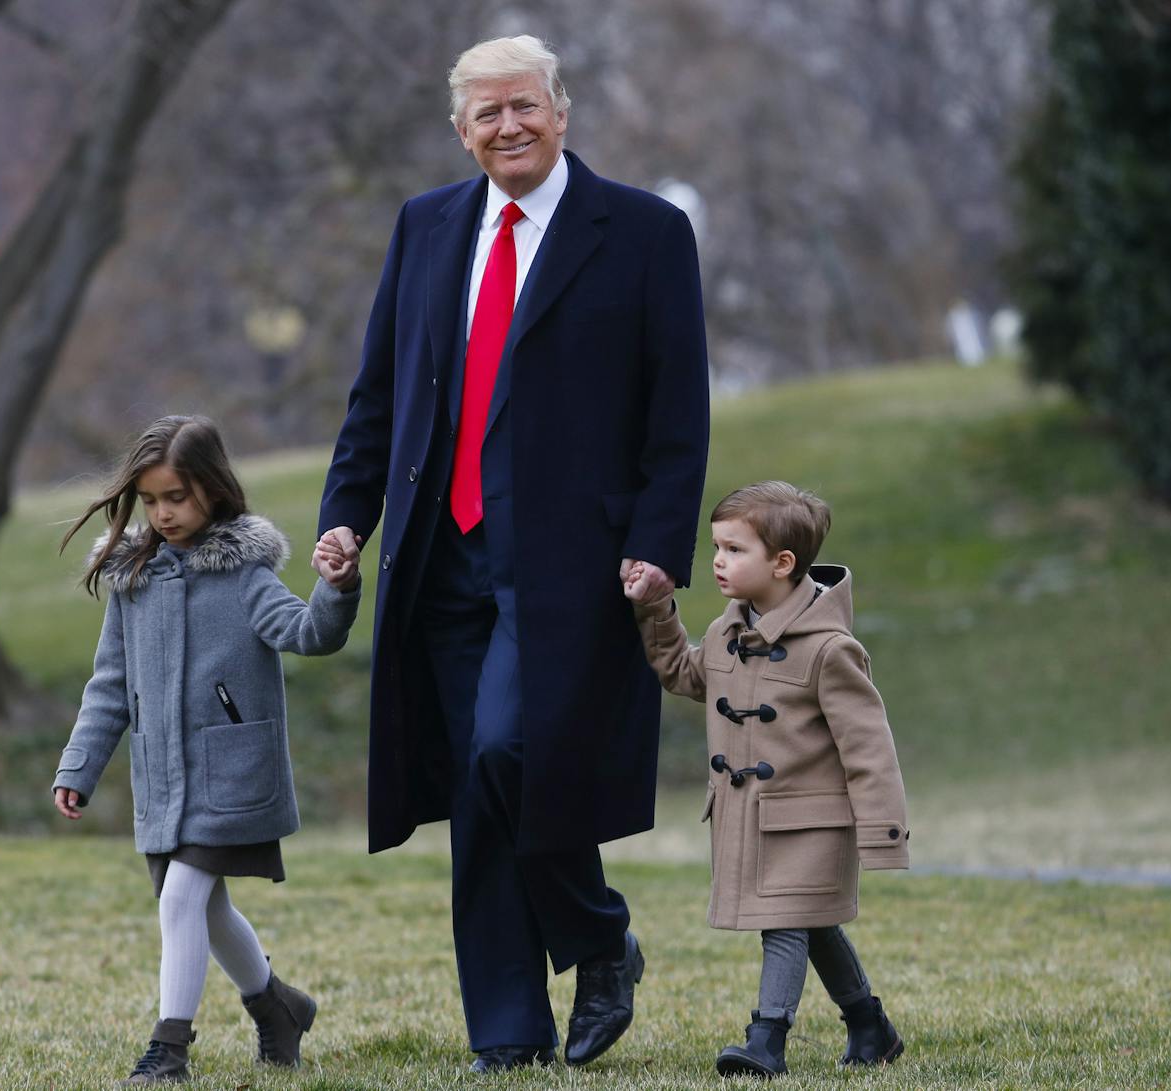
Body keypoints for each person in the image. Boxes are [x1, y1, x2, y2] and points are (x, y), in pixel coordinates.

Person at [316, 34, 710, 1071]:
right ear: (460, 130)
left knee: (504, 750)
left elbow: (678, 412)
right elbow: (379, 394)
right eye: (485, 113)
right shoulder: (425, 226)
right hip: (435, 553)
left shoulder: (642, 232)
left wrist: (658, 545)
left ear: (561, 111)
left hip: (570, 560)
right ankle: (506, 1029)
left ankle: (591, 935)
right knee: (471, 778)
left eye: (523, 106)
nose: (507, 127)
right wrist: (346, 514)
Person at [50, 415, 361, 1085]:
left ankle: (169, 1049)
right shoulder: (131, 580)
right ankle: (278, 1008)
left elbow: (309, 633)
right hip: (162, 780)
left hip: (231, 775)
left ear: (214, 491)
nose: (163, 512)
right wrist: (79, 766)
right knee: (204, 907)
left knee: (183, 900)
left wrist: (336, 589)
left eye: (178, 497)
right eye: (153, 498)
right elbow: (109, 686)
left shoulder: (244, 574)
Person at [624, 481, 909, 1079]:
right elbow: (683, 672)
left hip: (810, 822)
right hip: (749, 817)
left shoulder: (831, 650)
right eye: (717, 548)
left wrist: (883, 835)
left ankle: (766, 1039)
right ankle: (869, 1026)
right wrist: (655, 608)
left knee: (783, 923)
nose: (718, 562)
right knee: (813, 922)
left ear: (782, 564)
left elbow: (868, 747)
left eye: (733, 550)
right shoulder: (731, 634)